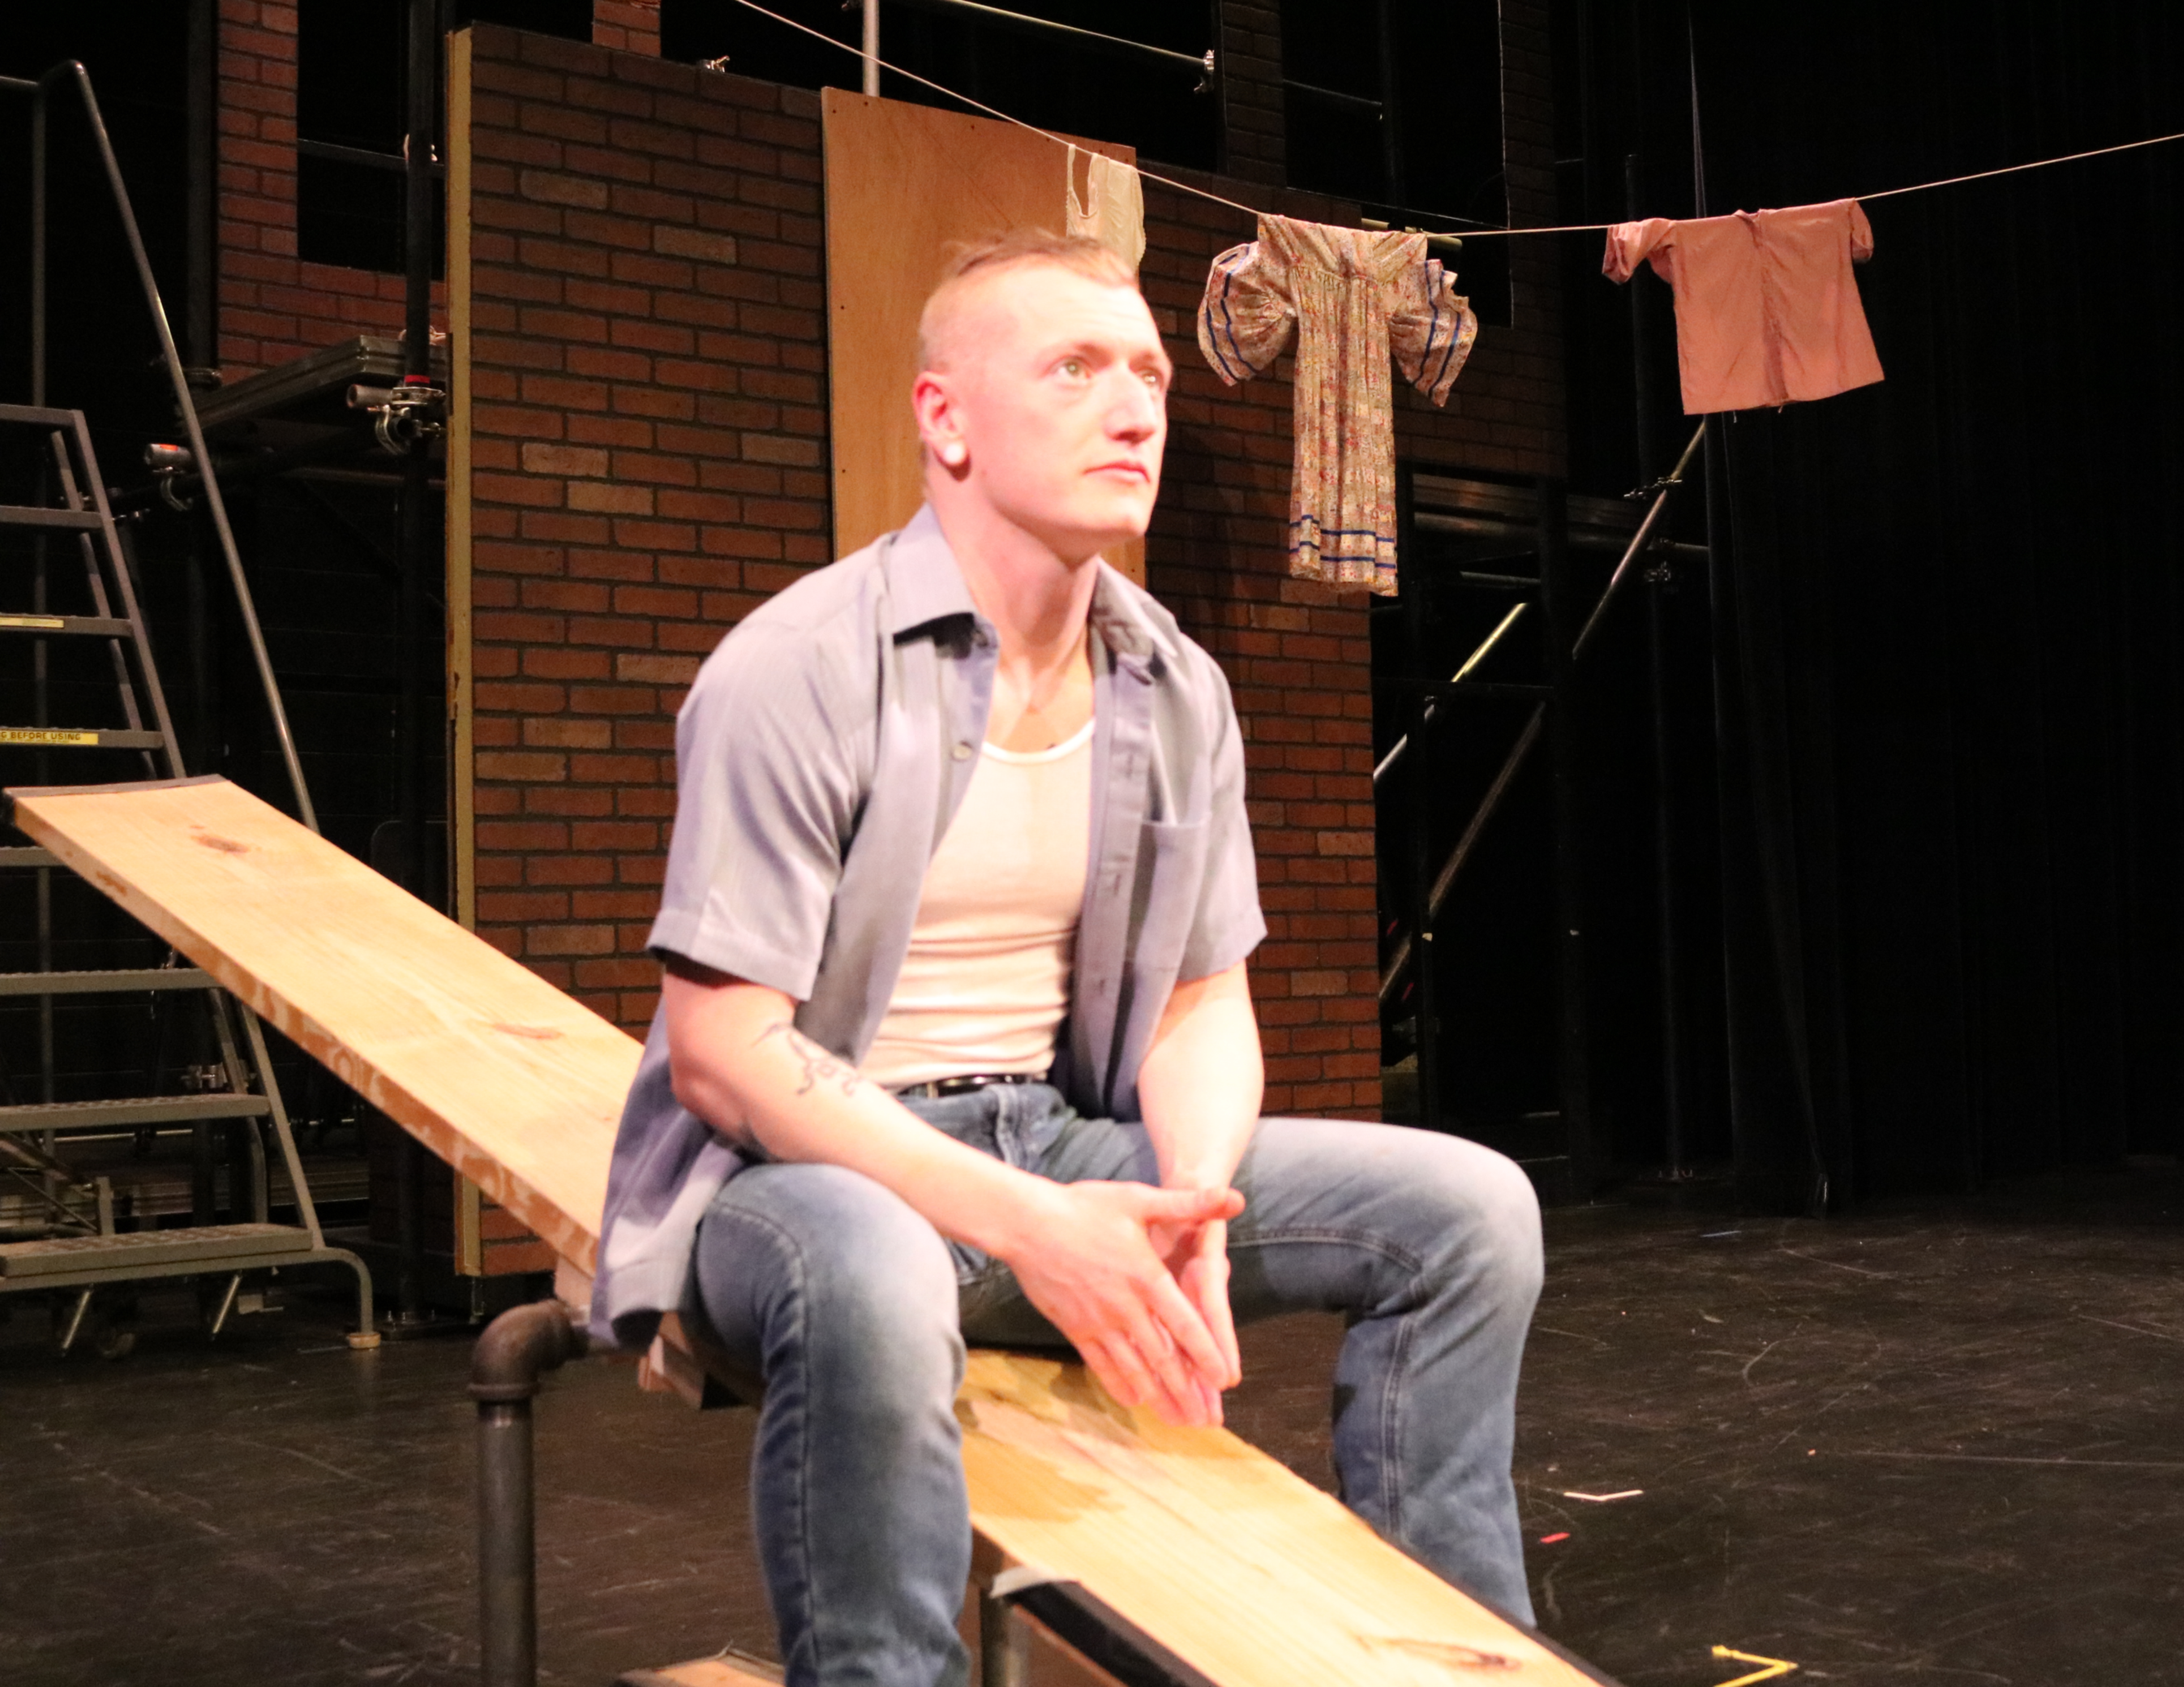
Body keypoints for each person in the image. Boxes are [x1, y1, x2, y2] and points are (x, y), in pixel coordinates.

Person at [591, 229, 1543, 1687]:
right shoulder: (800, 667)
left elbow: (1201, 1000)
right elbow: (727, 1056)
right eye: (1077, 368)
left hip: (1052, 1146)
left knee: (1470, 1211)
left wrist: (1193, 1207)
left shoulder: (1174, 685)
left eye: (1151, 373)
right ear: (946, 418)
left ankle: (1446, 1658)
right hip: (804, 1186)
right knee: (878, 1271)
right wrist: (1035, 1227)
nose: (1137, 407)